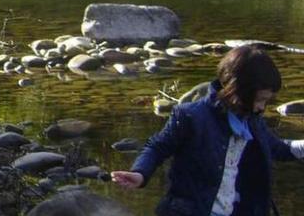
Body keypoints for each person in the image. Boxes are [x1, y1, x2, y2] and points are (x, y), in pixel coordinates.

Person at [112, 45, 304, 216]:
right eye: (260, 99)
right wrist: (140, 173)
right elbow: (157, 147)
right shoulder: (192, 116)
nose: (262, 107)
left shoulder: (251, 121)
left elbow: (277, 148)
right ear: (236, 90)